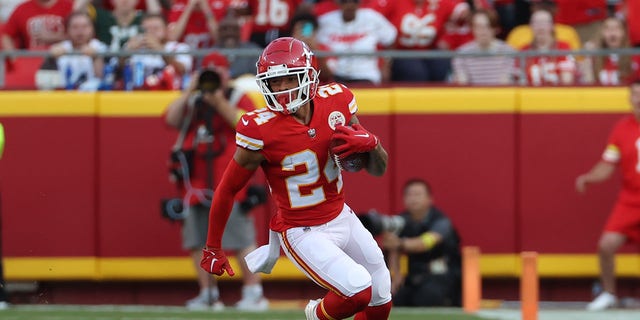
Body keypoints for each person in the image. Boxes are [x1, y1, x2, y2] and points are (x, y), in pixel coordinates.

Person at [199, 37, 393, 320]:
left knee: (380, 298)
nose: (281, 90)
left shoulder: (337, 102)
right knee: (357, 289)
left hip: (342, 216)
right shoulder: (260, 130)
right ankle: (315, 315)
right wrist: (213, 246)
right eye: (274, 82)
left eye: (288, 79)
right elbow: (227, 189)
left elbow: (377, 169)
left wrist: (373, 143)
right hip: (302, 230)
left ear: (308, 75)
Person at [164, 52, 268, 311]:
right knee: (198, 240)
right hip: (196, 182)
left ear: (227, 73)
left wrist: (218, 100)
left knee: (240, 238)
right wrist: (190, 90)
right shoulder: (194, 99)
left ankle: (254, 292)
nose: (212, 76)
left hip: (229, 178)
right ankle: (208, 293)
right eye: (207, 71)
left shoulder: (236, 95)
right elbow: (171, 119)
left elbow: (247, 125)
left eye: (217, 71)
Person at [575, 79, 640, 311]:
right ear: (629, 98)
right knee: (606, 245)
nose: (639, 99)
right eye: (635, 94)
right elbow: (608, 163)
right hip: (630, 200)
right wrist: (589, 177)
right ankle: (609, 293)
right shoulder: (622, 128)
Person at [381, 178, 462, 307]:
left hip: (443, 277)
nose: (413, 199)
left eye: (418, 195)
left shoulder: (441, 222)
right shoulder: (401, 221)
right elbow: (392, 248)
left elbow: (425, 243)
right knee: (397, 298)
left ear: (430, 199)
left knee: (427, 297)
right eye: (409, 195)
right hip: (415, 277)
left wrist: (401, 243)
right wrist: (395, 277)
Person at [316, 0, 396, 85]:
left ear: (359, 3)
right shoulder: (325, 21)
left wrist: (386, 65)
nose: (350, 5)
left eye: (354, 1)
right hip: (336, 75)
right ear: (338, 3)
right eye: (345, 2)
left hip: (366, 75)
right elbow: (315, 44)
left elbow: (391, 38)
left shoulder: (372, 17)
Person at [452, 8, 516, 85]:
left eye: (487, 26)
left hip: (499, 96)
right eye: (478, 26)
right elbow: (463, 85)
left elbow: (505, 85)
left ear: (495, 28)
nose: (483, 31)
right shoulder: (461, 53)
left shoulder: (508, 51)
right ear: (472, 29)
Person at [516, 8, 576, 86]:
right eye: (536, 23)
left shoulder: (563, 47)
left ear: (552, 26)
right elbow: (519, 81)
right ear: (530, 26)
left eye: (544, 23)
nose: (541, 28)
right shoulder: (524, 50)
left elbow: (567, 81)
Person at [49, 11, 107, 90]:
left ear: (93, 29)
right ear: (67, 30)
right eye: (75, 27)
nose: (80, 31)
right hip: (64, 95)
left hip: (92, 95)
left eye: (85, 26)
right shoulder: (59, 48)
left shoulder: (100, 47)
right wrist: (51, 58)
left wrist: (96, 57)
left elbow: (103, 78)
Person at [580, 16, 640, 85]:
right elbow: (588, 87)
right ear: (601, 33)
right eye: (607, 28)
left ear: (624, 32)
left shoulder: (635, 57)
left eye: (617, 28)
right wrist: (587, 59)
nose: (612, 32)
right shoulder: (594, 58)